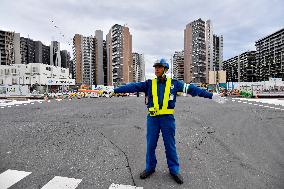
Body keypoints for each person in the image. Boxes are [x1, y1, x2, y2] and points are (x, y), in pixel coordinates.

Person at [111, 58, 225, 184]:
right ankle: (150, 168)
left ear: (165, 69)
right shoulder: (149, 83)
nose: (156, 69)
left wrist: (211, 95)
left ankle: (174, 170)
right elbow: (132, 87)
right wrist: (114, 90)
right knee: (150, 145)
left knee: (170, 145)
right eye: (155, 67)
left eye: (159, 67)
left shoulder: (175, 84)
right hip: (153, 118)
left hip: (167, 119)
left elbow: (193, 89)